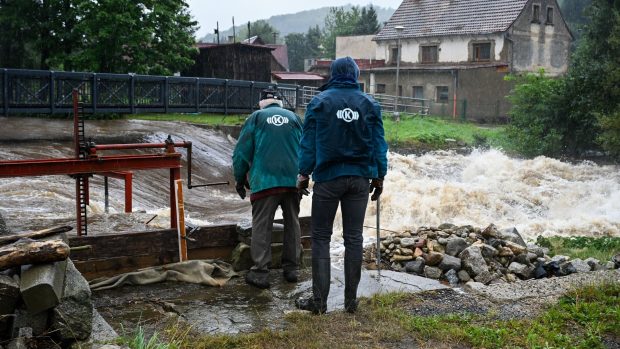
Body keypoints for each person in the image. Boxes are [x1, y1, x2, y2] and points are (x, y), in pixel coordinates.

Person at [295, 56, 388, 314]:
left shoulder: (319, 102)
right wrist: (380, 176)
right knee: (354, 238)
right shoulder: (370, 104)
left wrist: (303, 174)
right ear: (356, 74)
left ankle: (319, 302)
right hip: (360, 180)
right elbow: (379, 144)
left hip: (327, 179)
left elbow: (308, 144)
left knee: (321, 238)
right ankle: (350, 302)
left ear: (333, 74)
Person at [232, 87, 303, 289]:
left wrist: (239, 179)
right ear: (279, 102)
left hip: (265, 182)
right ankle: (292, 270)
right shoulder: (295, 118)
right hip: (292, 181)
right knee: (293, 223)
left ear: (261, 102)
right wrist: (304, 176)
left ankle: (261, 272)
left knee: (262, 225)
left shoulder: (256, 118)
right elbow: (307, 147)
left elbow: (241, 154)